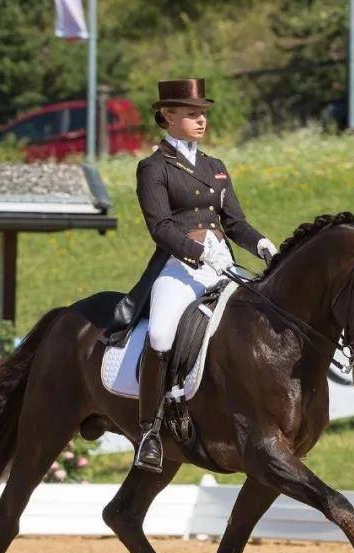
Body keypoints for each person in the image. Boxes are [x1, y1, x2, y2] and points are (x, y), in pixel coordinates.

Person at [104, 78, 277, 473]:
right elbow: (160, 226)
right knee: (161, 333)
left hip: (223, 261)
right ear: (167, 116)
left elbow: (235, 222)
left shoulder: (215, 168)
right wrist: (196, 251)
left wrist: (266, 246)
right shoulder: (153, 168)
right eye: (192, 114)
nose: (201, 121)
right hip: (180, 265)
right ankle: (149, 431)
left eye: (203, 114)